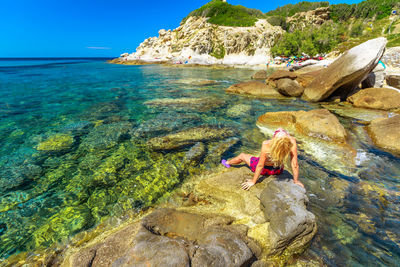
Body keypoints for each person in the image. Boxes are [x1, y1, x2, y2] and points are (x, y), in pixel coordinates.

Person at [221, 128, 304, 190]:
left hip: (265, 170)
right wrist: (296, 180)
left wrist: (253, 181)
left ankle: (227, 163)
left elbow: (260, 165)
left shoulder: (266, 144)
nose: (281, 129)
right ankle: (228, 163)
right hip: (278, 170)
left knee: (242, 155)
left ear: (274, 139)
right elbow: (295, 164)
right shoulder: (292, 142)